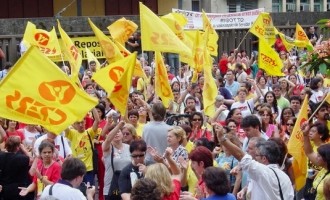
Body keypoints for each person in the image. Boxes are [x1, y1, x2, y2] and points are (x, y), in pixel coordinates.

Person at [214, 123, 294, 200]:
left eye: (257, 155)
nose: (255, 158)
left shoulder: (263, 172)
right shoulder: (284, 177)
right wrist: (245, 190)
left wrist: (222, 139)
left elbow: (241, 156)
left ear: (264, 158)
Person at [64, 108, 100, 185]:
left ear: (85, 122)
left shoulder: (89, 132)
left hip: (88, 170)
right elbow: (64, 125)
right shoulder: (72, 134)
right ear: (74, 125)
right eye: (78, 123)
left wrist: (93, 107)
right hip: (76, 170)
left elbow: (97, 121)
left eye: (82, 122)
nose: (81, 125)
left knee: (89, 192)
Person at [102, 121, 131, 200]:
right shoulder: (108, 148)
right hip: (111, 188)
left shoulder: (129, 148)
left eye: (118, 132)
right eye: (113, 132)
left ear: (122, 134)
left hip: (127, 187)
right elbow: (108, 140)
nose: (116, 134)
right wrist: (118, 126)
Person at [302, 122, 330, 200]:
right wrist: (305, 135)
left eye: (319, 156)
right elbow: (309, 152)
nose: (316, 158)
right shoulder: (323, 170)